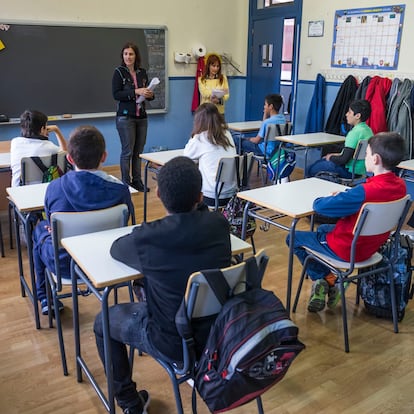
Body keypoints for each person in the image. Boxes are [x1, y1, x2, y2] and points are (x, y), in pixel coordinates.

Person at [93, 156, 232, 414]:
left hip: (171, 342)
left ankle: (130, 403)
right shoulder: (219, 225)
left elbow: (116, 249)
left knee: (102, 321)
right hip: (219, 335)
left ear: (157, 193)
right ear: (200, 197)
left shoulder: (149, 237)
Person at [287, 132, 407, 313]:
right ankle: (330, 280)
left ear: (375, 159)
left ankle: (326, 278)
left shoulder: (364, 192)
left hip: (347, 248)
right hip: (372, 247)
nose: (365, 157)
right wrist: (347, 198)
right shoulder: (401, 186)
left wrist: (336, 197)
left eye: (366, 154)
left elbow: (320, 207)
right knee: (327, 229)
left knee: (293, 237)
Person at [33, 126, 134, 316]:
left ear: (69, 159)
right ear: (104, 156)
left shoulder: (55, 188)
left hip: (64, 265)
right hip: (108, 259)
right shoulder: (120, 190)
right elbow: (125, 224)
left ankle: (45, 297)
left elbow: (50, 222)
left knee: (39, 230)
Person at [113, 42, 154, 191]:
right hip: (125, 118)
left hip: (141, 117)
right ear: (122, 56)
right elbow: (116, 94)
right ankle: (126, 182)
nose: (128, 57)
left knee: (139, 152)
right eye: (125, 54)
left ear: (136, 56)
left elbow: (147, 93)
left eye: (131, 54)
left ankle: (138, 181)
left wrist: (150, 94)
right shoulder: (119, 72)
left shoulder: (142, 72)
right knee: (127, 151)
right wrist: (136, 92)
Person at [183, 102, 237, 207]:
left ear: (198, 120)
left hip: (211, 195)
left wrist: (194, 134)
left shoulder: (200, 138)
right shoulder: (227, 134)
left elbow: (186, 158)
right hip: (232, 193)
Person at [308, 99, 373, 178]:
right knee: (322, 161)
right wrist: (334, 155)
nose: (346, 114)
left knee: (312, 169)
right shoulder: (368, 131)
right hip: (360, 170)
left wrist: (330, 157)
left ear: (357, 116)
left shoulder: (355, 133)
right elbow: (350, 153)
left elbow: (343, 160)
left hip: (348, 171)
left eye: (349, 112)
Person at [10, 109, 67, 187]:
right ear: (42, 129)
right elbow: (66, 153)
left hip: (19, 193)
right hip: (43, 192)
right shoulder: (50, 147)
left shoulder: (15, 143)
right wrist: (57, 131)